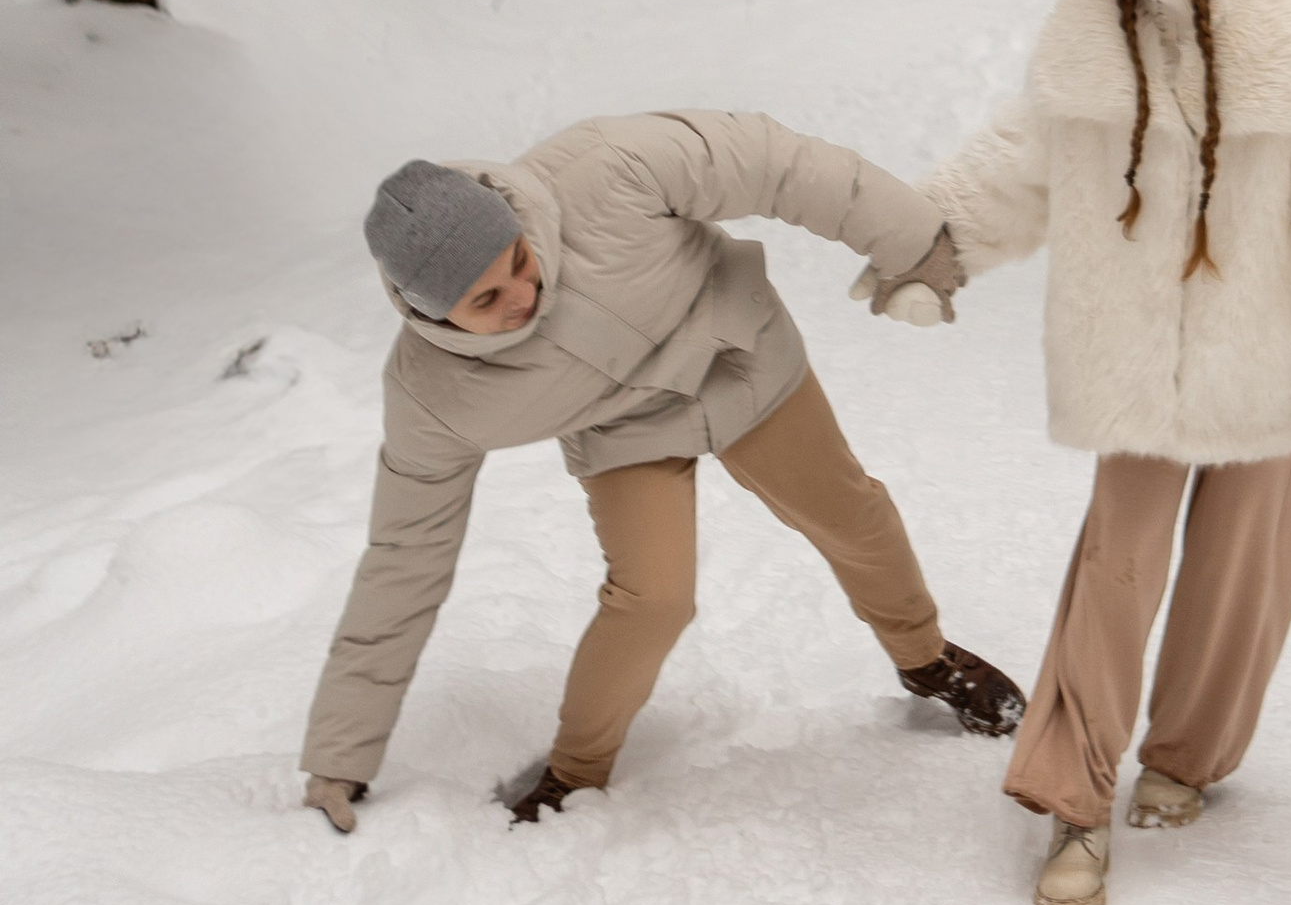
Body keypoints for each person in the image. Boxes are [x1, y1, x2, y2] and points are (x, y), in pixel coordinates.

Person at [877, 0, 1291, 905]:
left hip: (1271, 355)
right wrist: (930, 251)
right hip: (1134, 359)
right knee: (1116, 569)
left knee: (1244, 571)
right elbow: (1019, 156)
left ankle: (1186, 756)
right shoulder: (1090, 32)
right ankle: (1072, 803)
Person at [299, 108, 1019, 833]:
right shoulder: (434, 397)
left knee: (850, 516)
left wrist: (915, 242)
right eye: (486, 300)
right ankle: (575, 772)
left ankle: (926, 659)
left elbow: (781, 164)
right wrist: (340, 750)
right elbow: (404, 557)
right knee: (651, 599)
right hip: (621, 429)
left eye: (519, 259)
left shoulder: (610, 169)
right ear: (433, 315)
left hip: (740, 359)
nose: (524, 294)